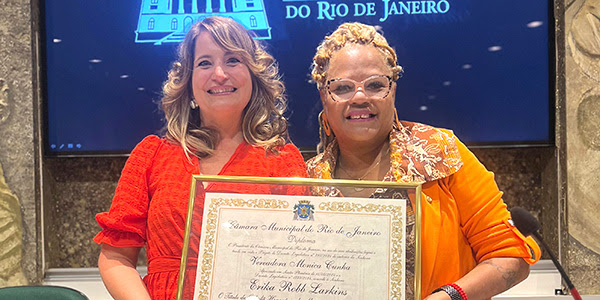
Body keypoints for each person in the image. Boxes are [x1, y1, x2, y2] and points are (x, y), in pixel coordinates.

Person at [306, 22, 541, 300]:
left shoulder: (441, 152)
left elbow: (510, 257)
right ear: (324, 96)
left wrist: (449, 296)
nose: (359, 97)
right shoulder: (306, 181)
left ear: (392, 91)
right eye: (343, 87)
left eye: (375, 85)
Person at [94, 17, 307, 300]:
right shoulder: (151, 156)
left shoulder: (283, 161)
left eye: (232, 60)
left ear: (254, 76)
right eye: (205, 63)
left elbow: (299, 260)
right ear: (189, 82)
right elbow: (116, 257)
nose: (219, 74)